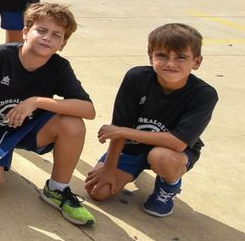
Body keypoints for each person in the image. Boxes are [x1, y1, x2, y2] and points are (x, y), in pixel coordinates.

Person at [0, 2, 96, 226]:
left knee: (72, 124)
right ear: (26, 32)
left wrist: (37, 101)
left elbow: (88, 110)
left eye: (56, 35)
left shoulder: (59, 67)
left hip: (25, 130)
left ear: (62, 44)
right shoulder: (0, 56)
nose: (47, 38)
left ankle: (57, 189)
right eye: (41, 30)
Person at [86, 23, 218, 218]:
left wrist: (123, 132)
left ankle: (169, 185)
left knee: (160, 157)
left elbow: (178, 142)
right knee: (98, 192)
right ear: (151, 57)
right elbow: (119, 125)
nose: (170, 64)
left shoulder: (204, 94)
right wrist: (109, 167)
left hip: (171, 151)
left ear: (196, 62)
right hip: (132, 146)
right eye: (162, 55)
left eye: (181, 57)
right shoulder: (136, 78)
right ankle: (129, 167)